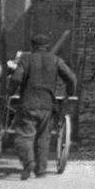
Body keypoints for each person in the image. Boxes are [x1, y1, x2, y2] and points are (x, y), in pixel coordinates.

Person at [11, 33, 77, 180]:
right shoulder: (56, 60)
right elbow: (71, 77)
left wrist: (9, 92)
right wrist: (70, 93)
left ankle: (28, 162)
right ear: (48, 46)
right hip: (47, 105)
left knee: (24, 136)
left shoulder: (26, 60)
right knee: (43, 138)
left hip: (28, 104)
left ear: (32, 46)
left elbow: (16, 78)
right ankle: (40, 170)